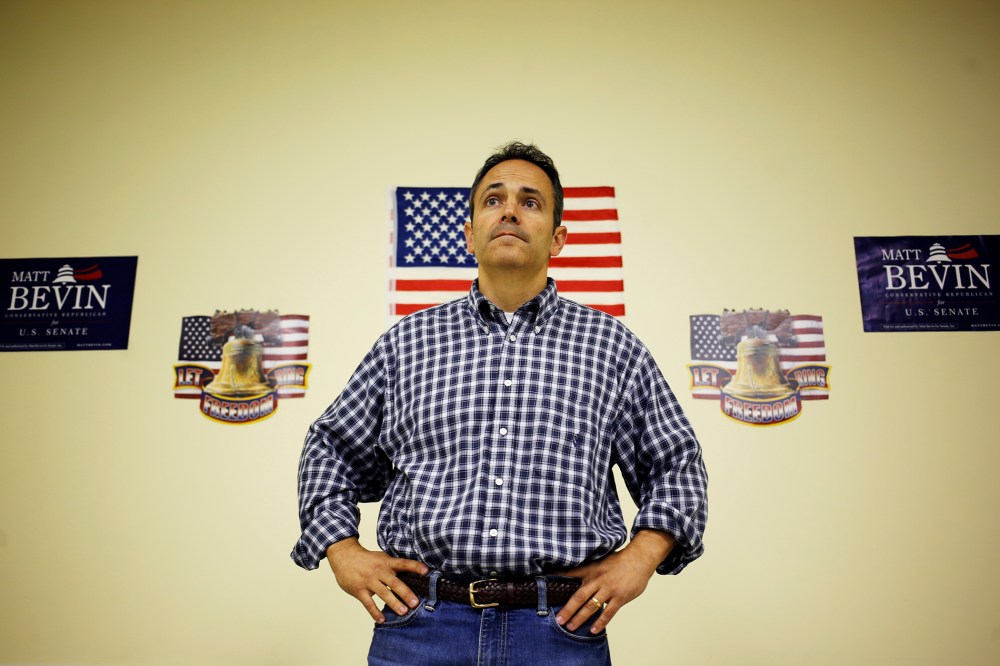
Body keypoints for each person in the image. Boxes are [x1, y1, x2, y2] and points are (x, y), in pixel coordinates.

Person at [292, 141, 708, 665]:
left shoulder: (612, 348)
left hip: (560, 633)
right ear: (468, 233)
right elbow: (330, 447)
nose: (510, 210)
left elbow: (676, 463)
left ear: (558, 238)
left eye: (530, 201)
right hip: (421, 629)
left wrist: (641, 558)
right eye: (493, 199)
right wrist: (343, 550)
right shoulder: (406, 344)